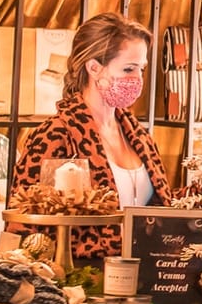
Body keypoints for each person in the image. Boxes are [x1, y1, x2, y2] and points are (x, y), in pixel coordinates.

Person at [9, 13, 169, 262]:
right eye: (128, 68)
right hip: (82, 278)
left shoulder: (140, 137)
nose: (138, 79)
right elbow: (24, 228)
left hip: (146, 275)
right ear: (94, 67)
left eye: (141, 69)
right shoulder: (55, 135)